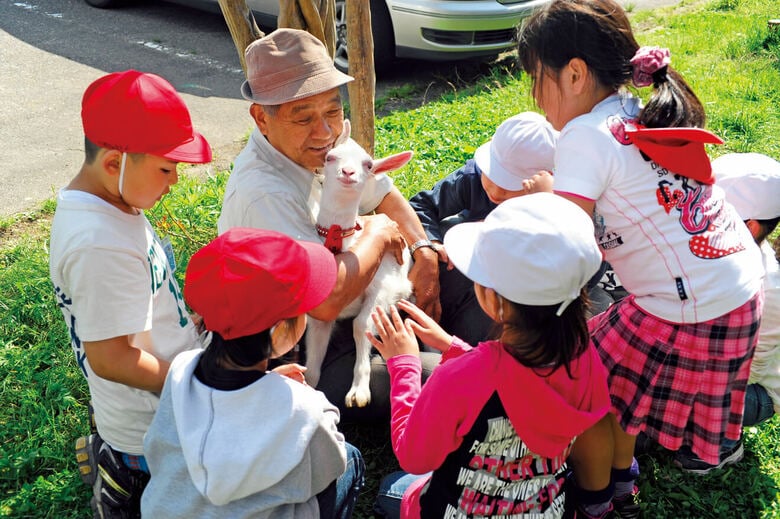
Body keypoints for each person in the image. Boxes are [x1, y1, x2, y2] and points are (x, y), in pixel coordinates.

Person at [517, 0, 764, 515]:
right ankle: (622, 482)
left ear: (576, 74)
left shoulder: (584, 136)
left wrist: (543, 197)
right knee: (617, 391)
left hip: (693, 304)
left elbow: (569, 241)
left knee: (582, 384)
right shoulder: (634, 107)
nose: (534, 95)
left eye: (536, 78)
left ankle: (597, 501)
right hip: (734, 285)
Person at [217, 28, 440, 421]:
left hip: (365, 302)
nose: (324, 133)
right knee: (442, 380)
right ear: (261, 119)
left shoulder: (328, 149)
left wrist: (423, 250)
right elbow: (325, 301)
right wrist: (378, 232)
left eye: (333, 112)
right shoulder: (264, 193)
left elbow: (384, 195)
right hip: (305, 350)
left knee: (467, 281)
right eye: (303, 118)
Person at [368, 193, 613, 519]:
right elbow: (515, 381)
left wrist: (405, 364)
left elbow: (414, 457)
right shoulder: (585, 358)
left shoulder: (459, 378)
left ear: (495, 302)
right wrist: (452, 347)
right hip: (543, 509)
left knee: (394, 489)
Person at [48, 70, 213, 517]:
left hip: (160, 389)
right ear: (113, 163)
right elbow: (112, 358)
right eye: (166, 167)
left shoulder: (115, 203)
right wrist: (202, 383)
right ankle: (118, 476)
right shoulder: (99, 242)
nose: (175, 181)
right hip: (150, 428)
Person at [141, 228, 365, 518]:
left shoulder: (181, 371)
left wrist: (267, 388)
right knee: (351, 457)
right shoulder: (307, 410)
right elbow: (326, 470)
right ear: (279, 331)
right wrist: (297, 397)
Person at [409, 112, 611, 341]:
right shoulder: (472, 178)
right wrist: (431, 245)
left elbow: (589, 269)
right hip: (478, 279)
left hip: (533, 302)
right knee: (448, 228)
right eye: (491, 177)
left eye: (509, 184)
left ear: (543, 184)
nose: (495, 192)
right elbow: (421, 205)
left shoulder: (569, 207)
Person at [672, 152, 780, 472]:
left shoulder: (768, 287)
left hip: (749, 389)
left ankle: (722, 443)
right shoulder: (710, 250)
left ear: (750, 226)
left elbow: (752, 369)